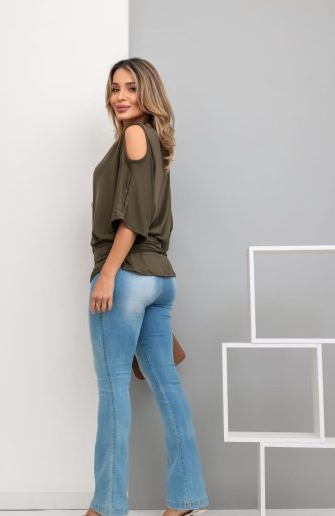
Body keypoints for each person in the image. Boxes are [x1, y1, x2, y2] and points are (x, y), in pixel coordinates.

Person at [85, 58, 209, 516]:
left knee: (113, 390)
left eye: (131, 87)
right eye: (114, 88)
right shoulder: (154, 139)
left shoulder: (135, 135)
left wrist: (108, 274)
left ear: (148, 92)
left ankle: (107, 507)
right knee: (167, 386)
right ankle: (185, 498)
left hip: (127, 276)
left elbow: (134, 217)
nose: (120, 96)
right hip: (159, 279)